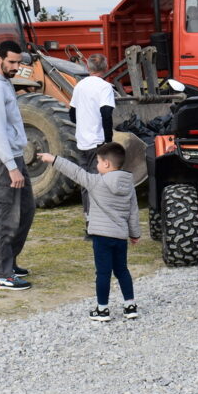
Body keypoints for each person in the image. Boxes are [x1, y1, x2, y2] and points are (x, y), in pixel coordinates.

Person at [39, 143, 140, 321]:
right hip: (120, 237)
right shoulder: (129, 185)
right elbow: (133, 211)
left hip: (102, 237)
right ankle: (130, 306)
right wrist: (134, 234)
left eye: (98, 162)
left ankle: (102, 309)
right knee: (122, 270)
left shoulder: (96, 182)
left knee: (103, 273)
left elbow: (74, 171)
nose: (97, 165)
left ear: (106, 164)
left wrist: (53, 159)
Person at [0, 40, 35, 290]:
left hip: (14, 155)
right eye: (11, 62)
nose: (15, 67)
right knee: (3, 216)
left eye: (18, 62)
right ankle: (1, 274)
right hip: (2, 160)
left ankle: (6, 261)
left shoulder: (5, 83)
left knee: (26, 208)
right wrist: (11, 167)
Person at [70, 54, 116, 213]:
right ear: (106, 67)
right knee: (99, 181)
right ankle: (99, 218)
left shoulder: (79, 86)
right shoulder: (105, 87)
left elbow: (72, 114)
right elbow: (106, 113)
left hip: (81, 141)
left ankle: (88, 216)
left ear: (88, 67)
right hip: (98, 141)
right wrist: (109, 140)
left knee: (85, 181)